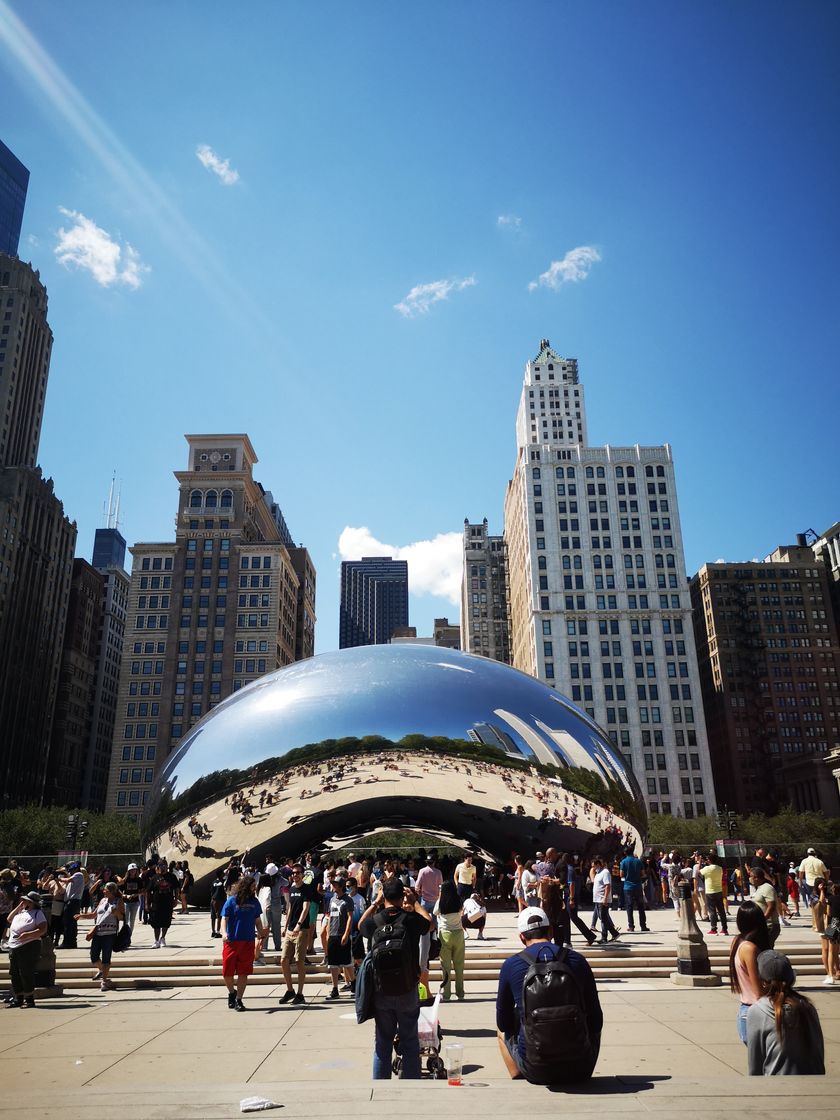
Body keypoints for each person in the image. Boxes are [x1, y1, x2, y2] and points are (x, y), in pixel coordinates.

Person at [496, 906, 602, 1084]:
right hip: (581, 1067)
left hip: (536, 1070)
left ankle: (518, 1071)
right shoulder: (578, 960)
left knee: (501, 1028)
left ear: (522, 937)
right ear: (551, 931)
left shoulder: (511, 965)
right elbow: (596, 1021)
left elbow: (504, 1023)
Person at [359, 876, 431, 1079]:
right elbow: (429, 924)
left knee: (382, 1044)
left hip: (381, 991)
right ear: (402, 895)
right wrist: (415, 901)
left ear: (383, 896)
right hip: (407, 988)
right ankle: (412, 1084)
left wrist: (376, 902)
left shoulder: (376, 921)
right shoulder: (410, 919)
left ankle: (379, 1086)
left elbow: (361, 926)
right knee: (410, 1041)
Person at [746, 950, 824, 1075]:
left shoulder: (758, 1011)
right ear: (792, 978)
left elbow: (755, 1063)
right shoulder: (807, 1007)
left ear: (763, 982)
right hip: (813, 1084)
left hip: (776, 1086)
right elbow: (818, 1053)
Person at [220, 875, 264, 1011]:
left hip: (247, 941)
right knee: (227, 972)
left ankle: (239, 999)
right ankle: (231, 992)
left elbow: (257, 920)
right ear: (245, 886)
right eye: (252, 886)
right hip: (232, 941)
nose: (254, 888)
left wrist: (261, 933)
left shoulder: (255, 902)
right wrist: (224, 932)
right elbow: (224, 918)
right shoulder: (232, 901)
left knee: (243, 972)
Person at [729, 901, 771, 1044]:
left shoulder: (737, 941)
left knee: (760, 1064)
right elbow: (758, 990)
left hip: (748, 1009)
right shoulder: (749, 948)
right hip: (756, 1011)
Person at [76, 881, 125, 992]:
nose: (103, 891)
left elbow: (122, 917)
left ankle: (104, 980)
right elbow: (94, 914)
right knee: (94, 956)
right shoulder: (102, 901)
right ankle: (102, 970)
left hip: (110, 933)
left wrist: (116, 912)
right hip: (98, 932)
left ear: (112, 891)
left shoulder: (118, 901)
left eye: (105, 889)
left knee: (106, 958)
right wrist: (81, 916)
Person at [278, 863, 315, 1005]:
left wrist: (299, 925)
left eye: (298, 872)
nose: (295, 875)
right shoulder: (291, 888)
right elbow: (290, 908)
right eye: (293, 873)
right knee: (283, 960)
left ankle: (300, 993)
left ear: (302, 874)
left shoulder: (306, 889)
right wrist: (285, 926)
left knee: (299, 961)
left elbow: (306, 908)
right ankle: (290, 990)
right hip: (290, 930)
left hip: (301, 930)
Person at [5, 891, 47, 1008]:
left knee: (26, 972)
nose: (23, 902)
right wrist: (19, 907)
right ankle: (18, 997)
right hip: (14, 945)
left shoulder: (37, 913)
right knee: (14, 972)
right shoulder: (20, 913)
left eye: (26, 900)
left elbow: (43, 929)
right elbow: (9, 919)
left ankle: (29, 998)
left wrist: (28, 935)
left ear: (31, 902)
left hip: (29, 944)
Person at [434, 880, 466, 1001]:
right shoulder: (458, 900)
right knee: (459, 965)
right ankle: (460, 993)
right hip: (458, 933)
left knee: (446, 967)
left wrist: (440, 896)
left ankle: (446, 994)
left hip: (445, 934)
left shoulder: (440, 902)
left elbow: (434, 912)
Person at [325, 878, 355, 1000]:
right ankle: (335, 989)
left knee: (346, 962)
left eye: (335, 884)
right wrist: (327, 932)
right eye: (332, 884)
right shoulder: (332, 899)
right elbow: (330, 916)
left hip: (342, 933)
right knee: (332, 964)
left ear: (341, 886)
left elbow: (350, 918)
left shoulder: (348, 900)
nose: (333, 886)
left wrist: (346, 934)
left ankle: (354, 983)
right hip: (332, 934)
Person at [146, 860, 179, 948]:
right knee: (156, 922)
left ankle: (163, 938)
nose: (162, 867)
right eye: (160, 865)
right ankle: (156, 941)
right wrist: (147, 903)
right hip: (156, 903)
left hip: (168, 902)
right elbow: (148, 891)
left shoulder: (172, 877)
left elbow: (176, 888)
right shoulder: (154, 877)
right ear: (158, 866)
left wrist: (176, 899)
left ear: (167, 866)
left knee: (166, 922)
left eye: (164, 865)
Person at [591, 857, 620, 943]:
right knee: (603, 918)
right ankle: (615, 933)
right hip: (597, 899)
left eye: (594, 866)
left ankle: (604, 937)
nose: (593, 868)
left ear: (598, 864)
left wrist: (605, 898)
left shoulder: (605, 872)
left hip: (602, 899)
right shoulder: (597, 873)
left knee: (603, 919)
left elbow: (607, 886)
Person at [619, 849, 649, 933]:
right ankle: (643, 925)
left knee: (629, 907)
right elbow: (643, 873)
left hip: (628, 887)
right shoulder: (638, 861)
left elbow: (621, 874)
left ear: (625, 853)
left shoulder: (623, 862)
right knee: (640, 906)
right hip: (638, 886)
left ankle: (631, 926)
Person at [750, 867, 781, 948]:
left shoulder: (767, 888)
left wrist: (762, 920)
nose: (750, 879)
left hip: (769, 926)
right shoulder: (759, 888)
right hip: (762, 926)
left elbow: (771, 906)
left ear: (756, 877)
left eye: (751, 876)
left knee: (766, 949)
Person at [700, 852, 728, 936]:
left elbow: (699, 872)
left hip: (710, 891)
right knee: (721, 911)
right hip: (718, 890)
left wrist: (699, 862)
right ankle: (724, 929)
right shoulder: (720, 868)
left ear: (709, 860)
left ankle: (713, 928)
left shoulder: (707, 869)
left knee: (712, 911)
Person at [818, 881, 840, 985]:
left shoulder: (831, 899)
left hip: (833, 924)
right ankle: (837, 971)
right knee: (836, 951)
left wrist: (822, 890)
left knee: (831, 951)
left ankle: (831, 975)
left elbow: (828, 911)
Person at [798, 847, 829, 911]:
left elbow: (801, 872)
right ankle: (821, 909)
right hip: (820, 881)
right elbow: (826, 872)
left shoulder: (804, 861)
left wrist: (800, 882)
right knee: (821, 896)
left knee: (812, 897)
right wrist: (826, 881)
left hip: (809, 882)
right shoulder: (819, 861)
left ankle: (814, 909)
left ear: (807, 853)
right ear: (814, 853)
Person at [118, 864, 142, 932]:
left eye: (134, 870)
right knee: (125, 920)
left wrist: (136, 894)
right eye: (131, 870)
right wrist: (124, 895)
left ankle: (129, 936)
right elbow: (119, 890)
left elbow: (142, 891)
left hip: (135, 902)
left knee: (132, 920)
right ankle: (124, 935)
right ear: (128, 871)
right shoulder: (125, 880)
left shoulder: (139, 880)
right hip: (126, 902)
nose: (133, 871)